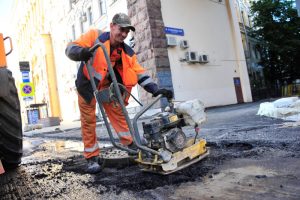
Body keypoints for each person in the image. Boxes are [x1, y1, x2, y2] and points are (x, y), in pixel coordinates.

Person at [65, 13, 173, 174]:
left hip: (107, 86)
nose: (123, 34)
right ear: (112, 26)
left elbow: (140, 74)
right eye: (121, 29)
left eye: (126, 32)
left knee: (119, 114)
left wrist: (156, 90)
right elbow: (70, 48)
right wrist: (81, 52)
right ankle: (92, 157)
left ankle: (132, 144)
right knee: (88, 121)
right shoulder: (95, 36)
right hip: (87, 84)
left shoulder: (127, 52)